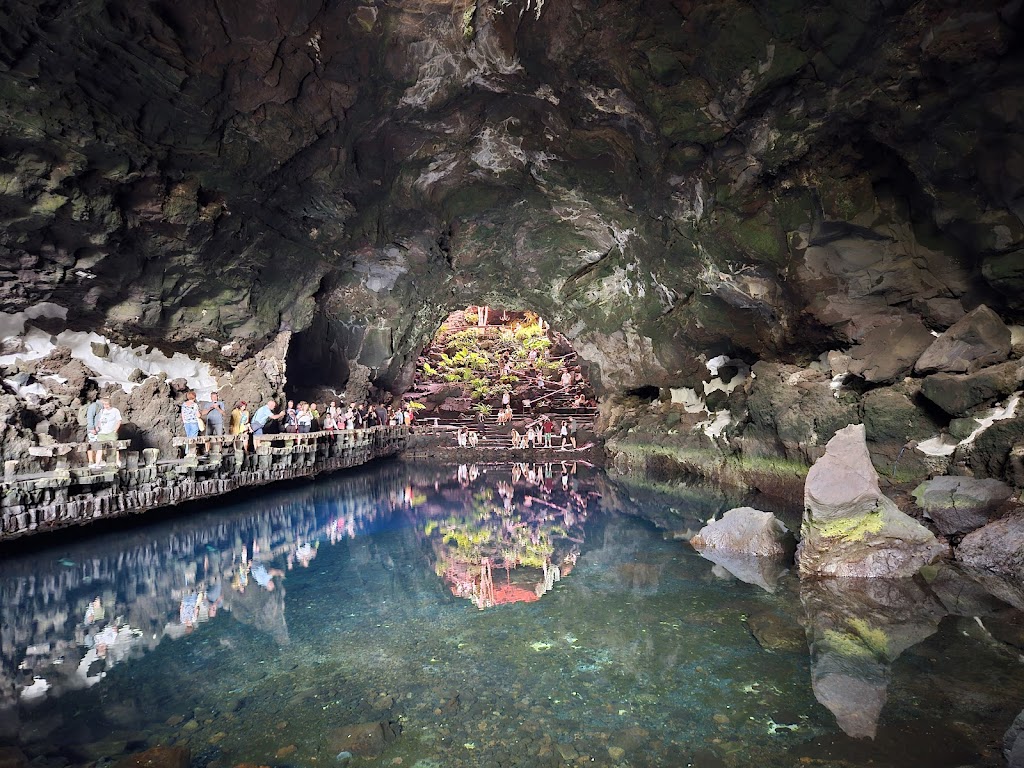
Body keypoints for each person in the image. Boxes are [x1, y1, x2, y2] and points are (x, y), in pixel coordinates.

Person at [93, 397, 122, 467]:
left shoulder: (115, 411)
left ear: (110, 404)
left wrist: (115, 430)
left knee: (115, 447)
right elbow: (99, 421)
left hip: (111, 432)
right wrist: (97, 427)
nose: (106, 406)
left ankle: (117, 461)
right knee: (99, 448)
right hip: (102, 433)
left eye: (107, 404)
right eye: (104, 405)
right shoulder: (101, 411)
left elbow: (119, 421)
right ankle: (97, 463)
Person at [84, 394, 101, 466]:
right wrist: (91, 428)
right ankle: (91, 461)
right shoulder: (94, 406)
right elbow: (90, 417)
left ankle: (97, 461)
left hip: (99, 430)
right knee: (92, 444)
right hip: (93, 430)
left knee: (98, 445)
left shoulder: (102, 407)